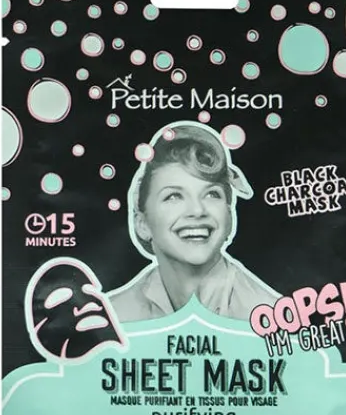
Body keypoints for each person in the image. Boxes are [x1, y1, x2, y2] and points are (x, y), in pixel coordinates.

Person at [107, 121, 280, 322]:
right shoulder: (112, 319)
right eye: (173, 196)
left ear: (229, 217)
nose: (197, 210)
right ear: (142, 224)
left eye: (212, 194)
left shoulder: (273, 319)